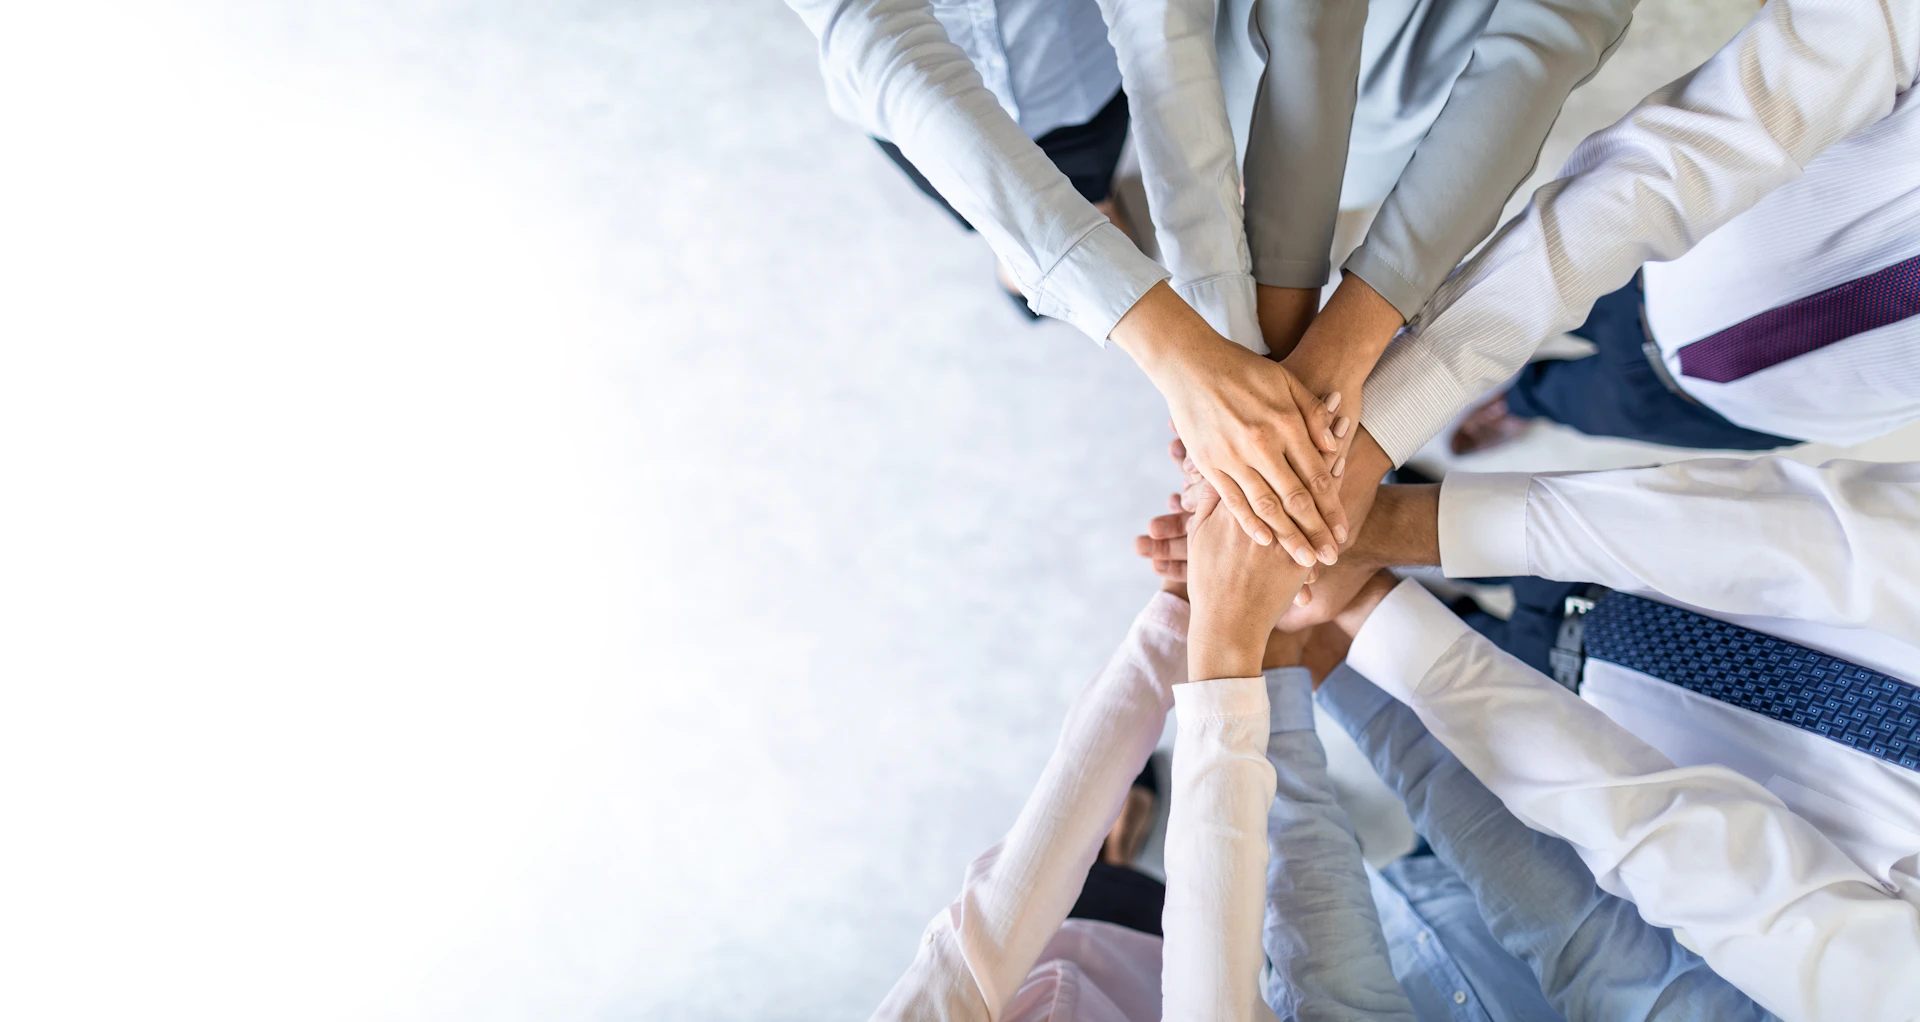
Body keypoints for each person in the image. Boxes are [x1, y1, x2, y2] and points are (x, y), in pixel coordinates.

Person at [1142, 455, 1920, 1019]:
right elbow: (1828, 534)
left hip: (1575, 772)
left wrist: (1288, 639)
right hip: (1629, 616)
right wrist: (1379, 544)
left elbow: (1681, 896)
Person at [785, 0, 1352, 568]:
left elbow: (1154, 20)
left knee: (1093, 197)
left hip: (1074, 73)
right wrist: (1192, 354)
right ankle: (1030, 268)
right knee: (987, 214)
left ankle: (1078, 241)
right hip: (914, 115)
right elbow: (886, 47)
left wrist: (1216, 345)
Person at [868, 462, 1375, 1020]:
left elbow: (995, 916)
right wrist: (1228, 638)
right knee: (1244, 910)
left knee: (1082, 885)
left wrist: (1179, 611)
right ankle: (1131, 844)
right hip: (1153, 986)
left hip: (1056, 951)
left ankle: (1118, 850)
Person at [1333, 0, 1920, 468]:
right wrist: (1398, 395)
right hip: (1679, 251)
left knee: (1579, 402)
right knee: (1511, 276)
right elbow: (1712, 141)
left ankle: (1520, 401)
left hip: (1762, 410)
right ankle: (1476, 366)